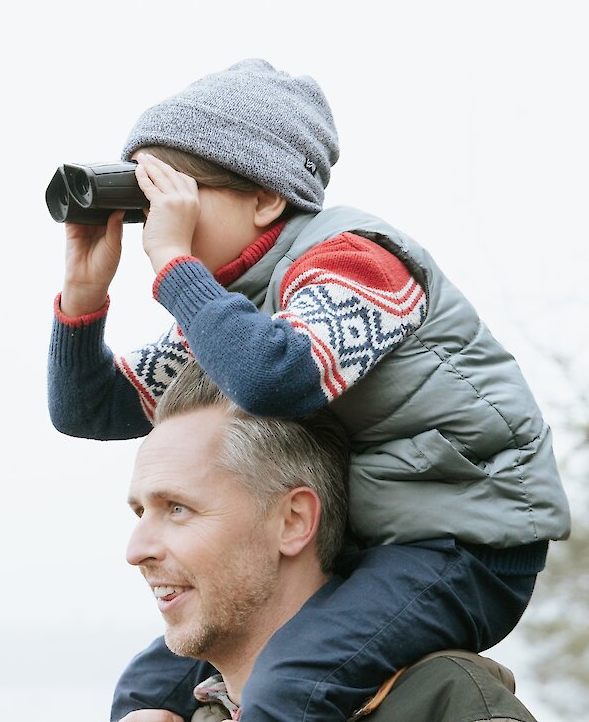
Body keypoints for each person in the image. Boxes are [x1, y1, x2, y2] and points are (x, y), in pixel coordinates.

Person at [48, 58, 570, 721]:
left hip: (467, 544)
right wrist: (84, 294)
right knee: (149, 687)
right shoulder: (238, 312)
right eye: (146, 205)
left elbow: (278, 379)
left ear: (266, 197)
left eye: (175, 196)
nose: (157, 223)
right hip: (373, 541)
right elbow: (90, 408)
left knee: (291, 685)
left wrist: (173, 265)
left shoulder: (358, 262)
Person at [118, 360, 538, 722]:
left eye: (177, 508)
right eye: (141, 512)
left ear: (293, 522)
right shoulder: (169, 711)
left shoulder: (445, 704)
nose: (136, 551)